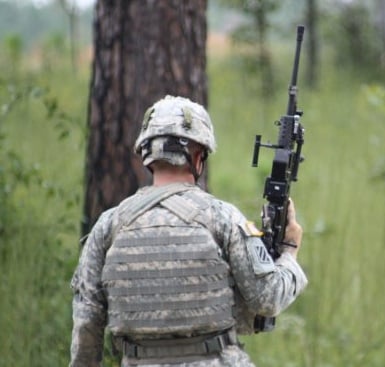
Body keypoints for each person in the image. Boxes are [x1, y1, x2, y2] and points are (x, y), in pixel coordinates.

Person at [69, 95, 308, 367]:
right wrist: (289, 250)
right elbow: (268, 298)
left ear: (148, 154)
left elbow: (87, 320)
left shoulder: (108, 226)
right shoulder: (223, 218)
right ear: (198, 157)